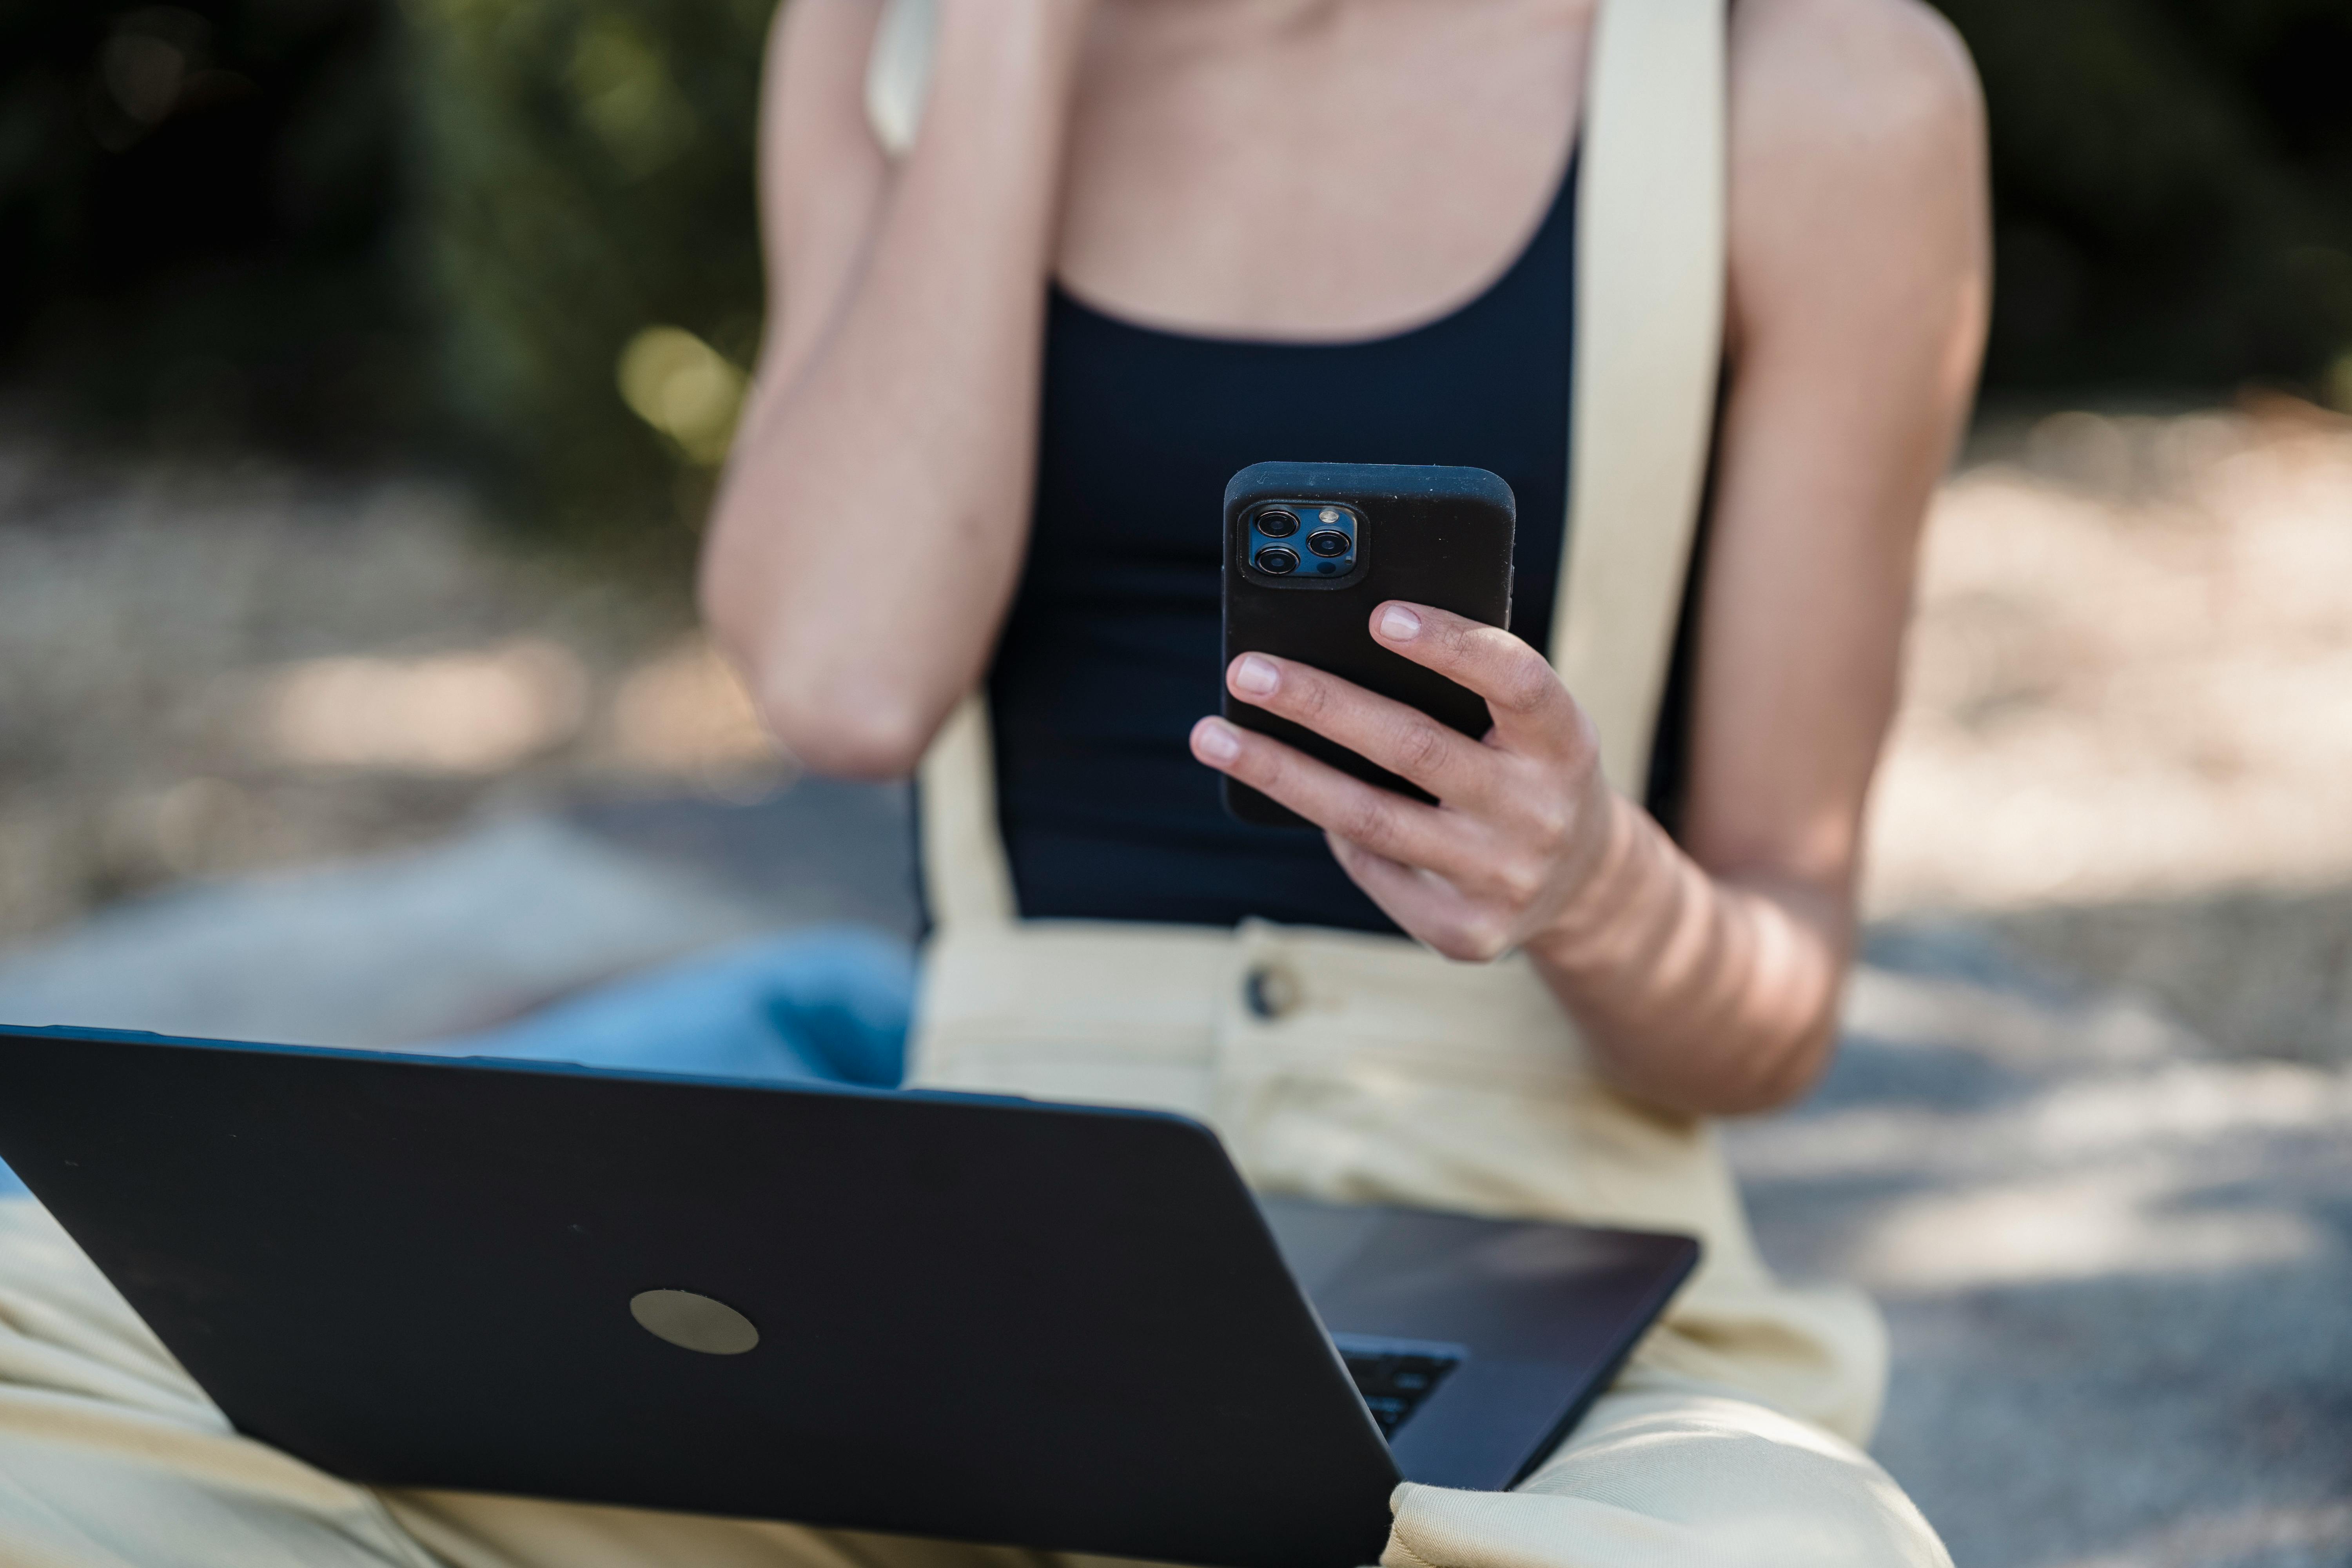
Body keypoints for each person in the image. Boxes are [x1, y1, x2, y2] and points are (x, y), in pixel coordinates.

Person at [0, 0, 1986, 1563]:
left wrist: (1594, 888)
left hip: (1530, 1259)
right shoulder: (886, 43)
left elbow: (1778, 985)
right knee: (33, 1310)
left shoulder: (1820, 92)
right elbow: (850, 681)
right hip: (968, 1285)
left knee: (1797, 1541)